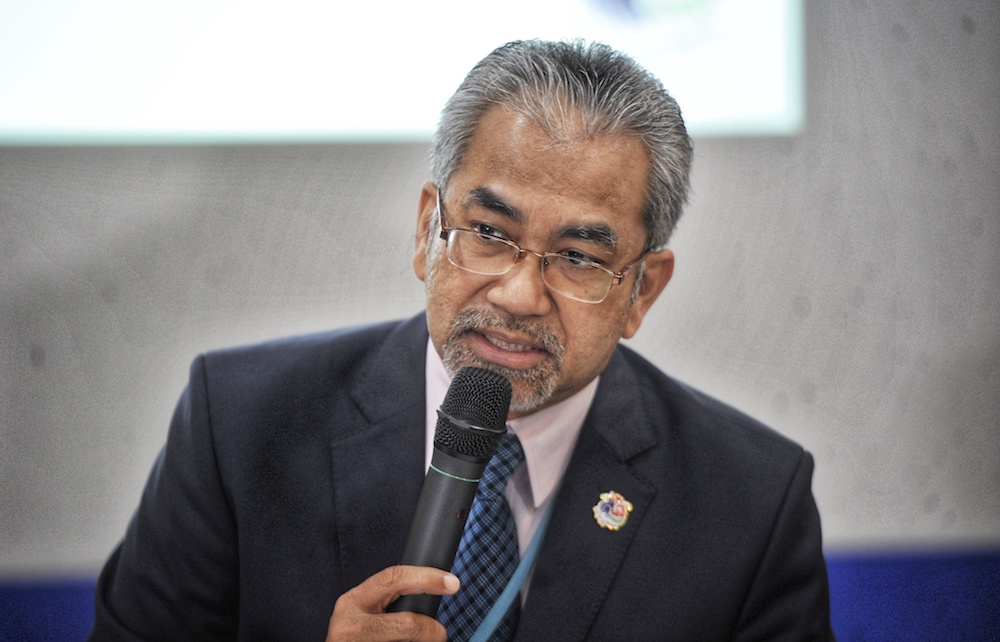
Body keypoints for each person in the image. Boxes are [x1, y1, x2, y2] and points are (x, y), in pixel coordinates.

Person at [89, 39, 833, 641]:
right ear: (426, 232)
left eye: (579, 256)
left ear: (641, 290)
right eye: (488, 233)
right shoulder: (241, 426)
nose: (518, 293)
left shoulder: (750, 501)